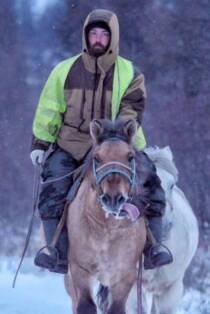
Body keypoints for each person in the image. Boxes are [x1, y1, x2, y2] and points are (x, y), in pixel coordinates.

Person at [30, 9, 172, 274]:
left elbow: (133, 110)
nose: (97, 39)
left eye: (103, 34)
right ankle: (56, 252)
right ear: (86, 36)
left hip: (118, 143)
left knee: (151, 183)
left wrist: (115, 136)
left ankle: (154, 247)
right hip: (72, 144)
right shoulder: (64, 70)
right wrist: (40, 143)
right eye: (93, 33)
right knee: (53, 187)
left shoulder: (130, 72)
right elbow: (49, 108)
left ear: (113, 37)